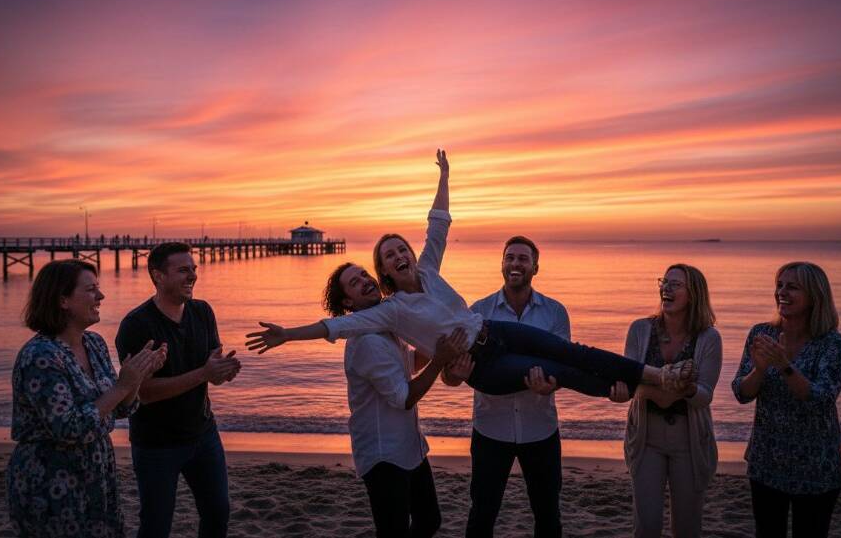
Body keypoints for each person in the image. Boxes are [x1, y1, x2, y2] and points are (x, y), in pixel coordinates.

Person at [247, 150, 695, 399]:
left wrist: (446, 174)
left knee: (571, 350)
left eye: (401, 247)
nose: (400, 254)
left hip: (493, 330)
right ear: (384, 269)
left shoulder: (429, 270)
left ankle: (655, 377)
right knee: (553, 368)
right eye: (389, 255)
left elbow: (438, 223)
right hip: (484, 365)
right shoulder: (391, 313)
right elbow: (337, 326)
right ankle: (632, 390)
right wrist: (288, 334)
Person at [7, 260, 166, 538]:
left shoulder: (94, 343)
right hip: (52, 481)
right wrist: (122, 385)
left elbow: (118, 410)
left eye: (99, 289)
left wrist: (138, 376)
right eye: (91, 290)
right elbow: (69, 428)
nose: (101, 297)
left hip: (97, 474)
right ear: (63, 300)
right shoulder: (41, 356)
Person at [441, 235, 569, 538]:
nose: (515, 263)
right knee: (482, 513)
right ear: (501, 264)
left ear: (535, 267)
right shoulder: (478, 313)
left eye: (523, 258)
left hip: (541, 429)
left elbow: (563, 369)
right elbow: (448, 376)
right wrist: (457, 375)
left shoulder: (555, 312)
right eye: (510, 257)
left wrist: (549, 386)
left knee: (548, 513)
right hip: (490, 430)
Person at [325, 262, 465, 538]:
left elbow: (408, 363)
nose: (365, 281)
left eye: (364, 274)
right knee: (393, 531)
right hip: (383, 455)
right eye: (355, 283)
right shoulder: (366, 341)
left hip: (409, 446)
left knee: (429, 520)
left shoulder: (386, 326)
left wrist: (438, 343)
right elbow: (403, 398)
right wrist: (440, 360)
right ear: (347, 302)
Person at [115, 242, 241, 538]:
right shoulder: (136, 325)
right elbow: (143, 392)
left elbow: (211, 373)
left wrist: (222, 373)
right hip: (157, 444)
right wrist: (204, 373)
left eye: (194, 269)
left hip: (204, 433)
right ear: (158, 276)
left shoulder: (202, 312)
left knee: (218, 512)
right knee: (156, 524)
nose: (193, 276)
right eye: (183, 270)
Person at [731, 261, 841, 538]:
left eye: (792, 287)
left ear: (814, 296)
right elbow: (741, 393)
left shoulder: (831, 343)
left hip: (816, 466)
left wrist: (784, 366)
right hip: (766, 461)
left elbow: (822, 398)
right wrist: (759, 370)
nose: (782, 292)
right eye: (779, 285)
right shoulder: (762, 334)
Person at [609, 264, 721, 538]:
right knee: (646, 525)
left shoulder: (709, 338)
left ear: (693, 294)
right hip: (646, 437)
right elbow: (633, 382)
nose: (665, 289)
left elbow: (704, 396)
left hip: (689, 439)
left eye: (674, 284)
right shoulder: (640, 330)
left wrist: (656, 385)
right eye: (664, 282)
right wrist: (672, 383)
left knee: (687, 525)